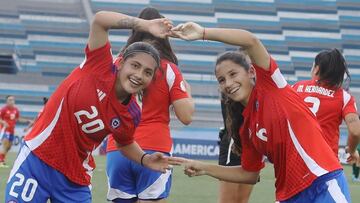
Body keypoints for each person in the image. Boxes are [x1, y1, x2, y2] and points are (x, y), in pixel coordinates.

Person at [5, 11, 180, 203]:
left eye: (147, 72)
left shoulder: (131, 113)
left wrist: (145, 159)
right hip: (37, 159)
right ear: (121, 62)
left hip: (75, 179)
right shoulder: (99, 65)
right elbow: (100, 20)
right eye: (135, 65)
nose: (139, 74)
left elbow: (124, 142)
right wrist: (144, 25)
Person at [171, 22, 354, 202]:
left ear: (251, 71)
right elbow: (249, 173)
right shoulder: (247, 127)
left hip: (321, 183)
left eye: (233, 74)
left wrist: (203, 32)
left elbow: (250, 40)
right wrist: (204, 168)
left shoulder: (272, 86)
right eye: (221, 80)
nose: (228, 83)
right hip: (288, 196)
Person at [106, 7, 194, 203]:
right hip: (155, 149)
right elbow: (186, 116)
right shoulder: (169, 69)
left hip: (118, 149)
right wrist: (187, 91)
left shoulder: (118, 64)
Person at [292, 49, 360, 163]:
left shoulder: (296, 87)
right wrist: (352, 150)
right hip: (325, 162)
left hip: (295, 158)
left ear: (317, 68)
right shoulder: (344, 97)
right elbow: (355, 131)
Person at [217, 92, 253, 203]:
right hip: (234, 143)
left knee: (241, 200)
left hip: (252, 145)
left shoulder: (255, 83)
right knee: (228, 201)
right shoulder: (233, 84)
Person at [0, 95, 33, 168]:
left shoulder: (15, 110)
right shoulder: (4, 109)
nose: (11, 101)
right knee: (5, 145)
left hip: (12, 130)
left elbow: (18, 119)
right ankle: (1, 161)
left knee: (9, 147)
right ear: (7, 101)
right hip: (5, 130)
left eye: (12, 100)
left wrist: (27, 120)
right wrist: (3, 122)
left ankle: (2, 159)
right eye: (10, 100)